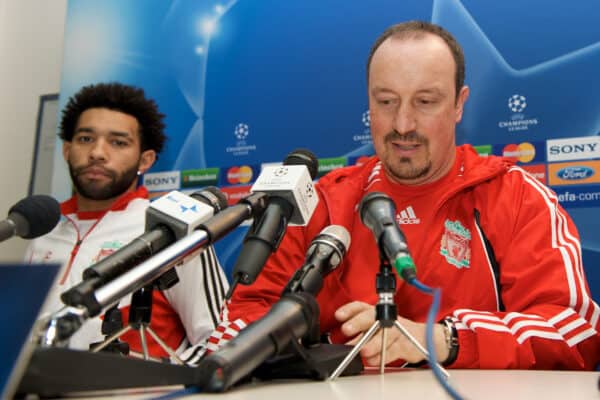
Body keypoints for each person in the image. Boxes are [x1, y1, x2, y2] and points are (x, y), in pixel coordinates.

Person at [208, 21, 600, 369]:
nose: (403, 124)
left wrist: (444, 339)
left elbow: (574, 329)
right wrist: (310, 345)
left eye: (425, 102)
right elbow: (238, 322)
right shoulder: (319, 202)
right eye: (386, 102)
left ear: (460, 104)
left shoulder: (515, 195)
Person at [25, 82, 228, 361]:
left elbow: (220, 339)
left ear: (145, 160)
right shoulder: (43, 231)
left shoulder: (172, 230)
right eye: (86, 139)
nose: (97, 152)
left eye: (118, 142)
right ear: (66, 150)